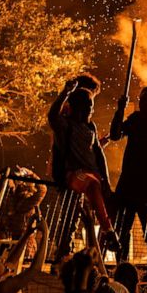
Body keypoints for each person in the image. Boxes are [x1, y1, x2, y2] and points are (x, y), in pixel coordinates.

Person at [48, 78, 120, 253]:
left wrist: (107, 182)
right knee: (71, 212)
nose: (91, 110)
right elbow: (52, 116)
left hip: (91, 174)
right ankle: (106, 230)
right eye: (88, 106)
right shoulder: (65, 125)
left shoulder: (90, 126)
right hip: (73, 175)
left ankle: (92, 249)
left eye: (92, 106)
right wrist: (66, 92)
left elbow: (97, 153)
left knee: (76, 215)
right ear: (76, 107)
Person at [110, 85, 147, 266]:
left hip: (142, 188)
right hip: (135, 187)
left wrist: (120, 111)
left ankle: (140, 266)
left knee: (145, 232)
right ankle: (127, 265)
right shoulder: (139, 120)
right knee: (126, 230)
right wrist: (120, 111)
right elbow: (115, 134)